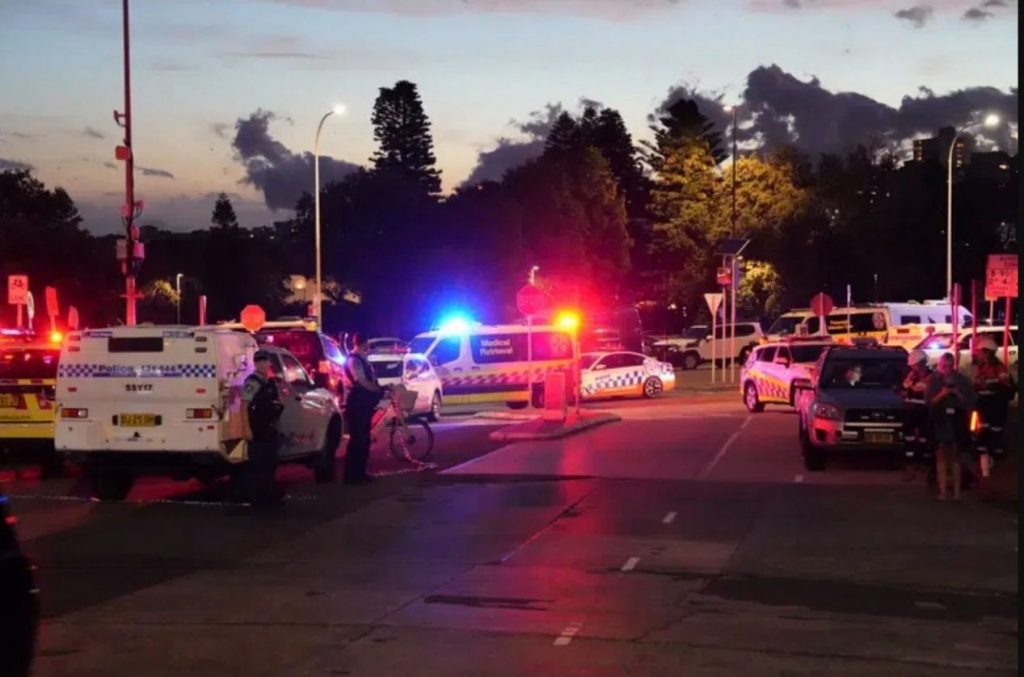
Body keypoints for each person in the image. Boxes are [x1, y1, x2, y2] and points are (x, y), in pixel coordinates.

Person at [925, 353, 976, 502]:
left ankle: (957, 492)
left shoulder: (961, 379)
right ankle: (942, 491)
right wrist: (942, 393)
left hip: (957, 420)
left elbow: (970, 400)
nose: (947, 369)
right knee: (941, 454)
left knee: (955, 455)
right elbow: (928, 402)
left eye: (949, 366)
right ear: (940, 365)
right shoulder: (934, 379)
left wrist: (958, 393)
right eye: (944, 366)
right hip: (940, 419)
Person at [239, 350, 285, 506]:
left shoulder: (269, 382)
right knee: (258, 464)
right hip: (257, 428)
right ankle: (258, 498)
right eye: (259, 361)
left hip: (269, 427)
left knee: (270, 463)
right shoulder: (253, 382)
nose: (263, 364)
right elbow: (244, 406)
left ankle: (268, 494)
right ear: (255, 363)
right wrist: (246, 428)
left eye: (265, 361)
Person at [342, 332, 383, 485]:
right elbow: (361, 381)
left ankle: (360, 472)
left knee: (363, 439)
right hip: (357, 403)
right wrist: (376, 389)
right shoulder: (354, 360)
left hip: (363, 403)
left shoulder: (361, 358)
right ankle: (353, 475)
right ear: (365, 342)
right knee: (358, 440)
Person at [971, 336, 1014, 477]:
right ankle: (985, 472)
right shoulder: (980, 368)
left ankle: (993, 467)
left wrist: (991, 382)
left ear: (987, 352)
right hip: (983, 404)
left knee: (994, 436)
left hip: (996, 406)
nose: (977, 354)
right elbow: (976, 384)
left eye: (980, 352)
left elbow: (1004, 382)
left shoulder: (999, 367)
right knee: (981, 435)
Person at [901, 350, 932, 482]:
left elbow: (927, 391)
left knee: (924, 440)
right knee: (909, 440)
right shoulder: (912, 375)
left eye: (914, 365)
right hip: (910, 411)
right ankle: (910, 469)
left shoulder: (931, 376)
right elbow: (905, 388)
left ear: (922, 363)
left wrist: (913, 387)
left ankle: (922, 466)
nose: (913, 368)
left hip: (924, 411)